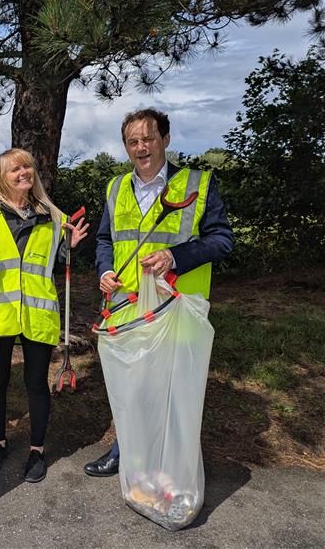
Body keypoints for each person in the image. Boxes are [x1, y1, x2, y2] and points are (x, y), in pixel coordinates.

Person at [84, 108, 234, 477]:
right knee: (131, 385)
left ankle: (170, 462)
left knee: (173, 387)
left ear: (165, 139)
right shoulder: (116, 187)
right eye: (133, 141)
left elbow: (223, 241)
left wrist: (175, 256)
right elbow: (105, 239)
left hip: (174, 305)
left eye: (148, 138)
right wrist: (105, 270)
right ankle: (126, 451)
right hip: (124, 306)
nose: (141, 147)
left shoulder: (198, 183)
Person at [0, 148, 88, 483]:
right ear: (1, 178)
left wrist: (71, 245)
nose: (24, 172)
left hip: (39, 312)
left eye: (27, 166)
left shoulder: (53, 216)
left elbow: (58, 257)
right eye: (14, 169)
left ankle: (36, 450)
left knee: (36, 383)